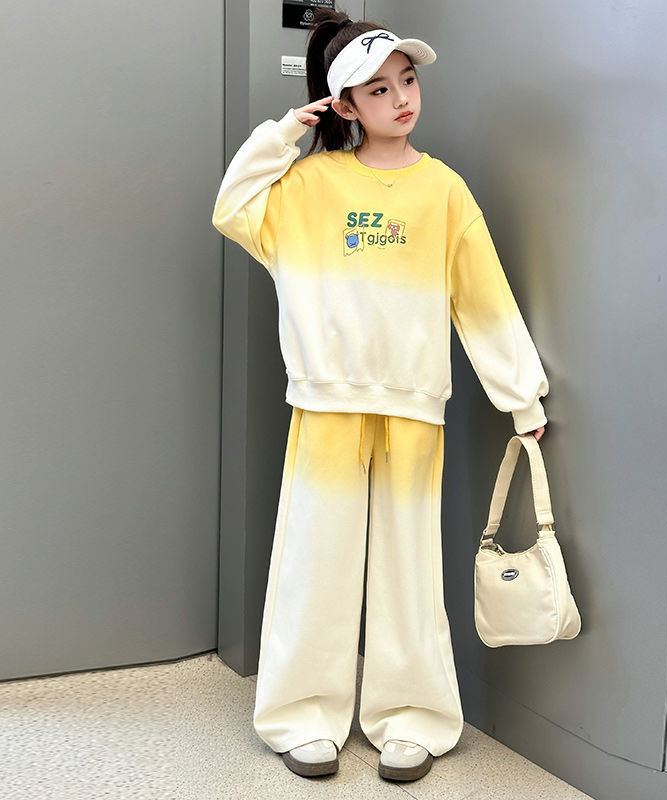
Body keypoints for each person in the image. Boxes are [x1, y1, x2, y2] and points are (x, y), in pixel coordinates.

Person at [211, 7, 550, 784]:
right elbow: (231, 207)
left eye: (407, 81)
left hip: (412, 404)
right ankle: (303, 717)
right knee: (315, 564)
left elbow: (483, 299)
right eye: (377, 89)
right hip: (326, 402)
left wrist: (520, 398)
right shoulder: (306, 186)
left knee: (407, 569)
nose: (400, 99)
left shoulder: (445, 192)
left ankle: (412, 719)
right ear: (345, 104)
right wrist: (285, 134)